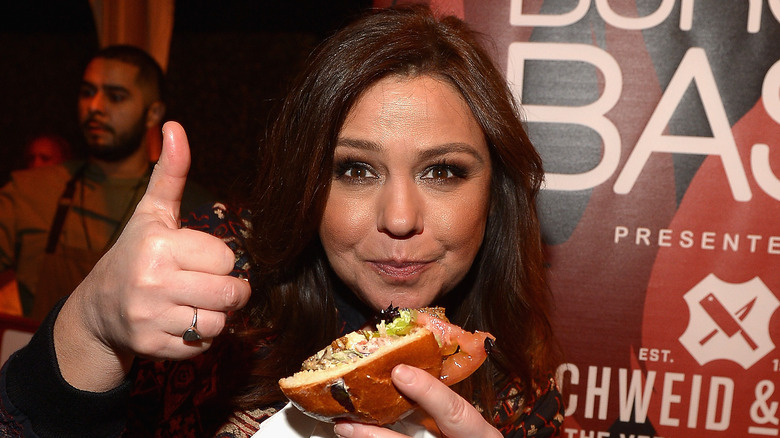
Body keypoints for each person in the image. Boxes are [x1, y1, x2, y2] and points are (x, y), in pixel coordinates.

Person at [0, 5, 564, 437]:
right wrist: (92, 324)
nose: (399, 218)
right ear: (307, 181)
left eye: (442, 172)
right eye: (355, 169)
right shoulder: (219, 282)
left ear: (497, 190)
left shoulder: (518, 385)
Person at [0, 45, 212, 320]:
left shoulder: (192, 206)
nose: (95, 107)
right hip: (43, 361)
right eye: (88, 92)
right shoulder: (30, 191)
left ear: (153, 113)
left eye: (116, 96)